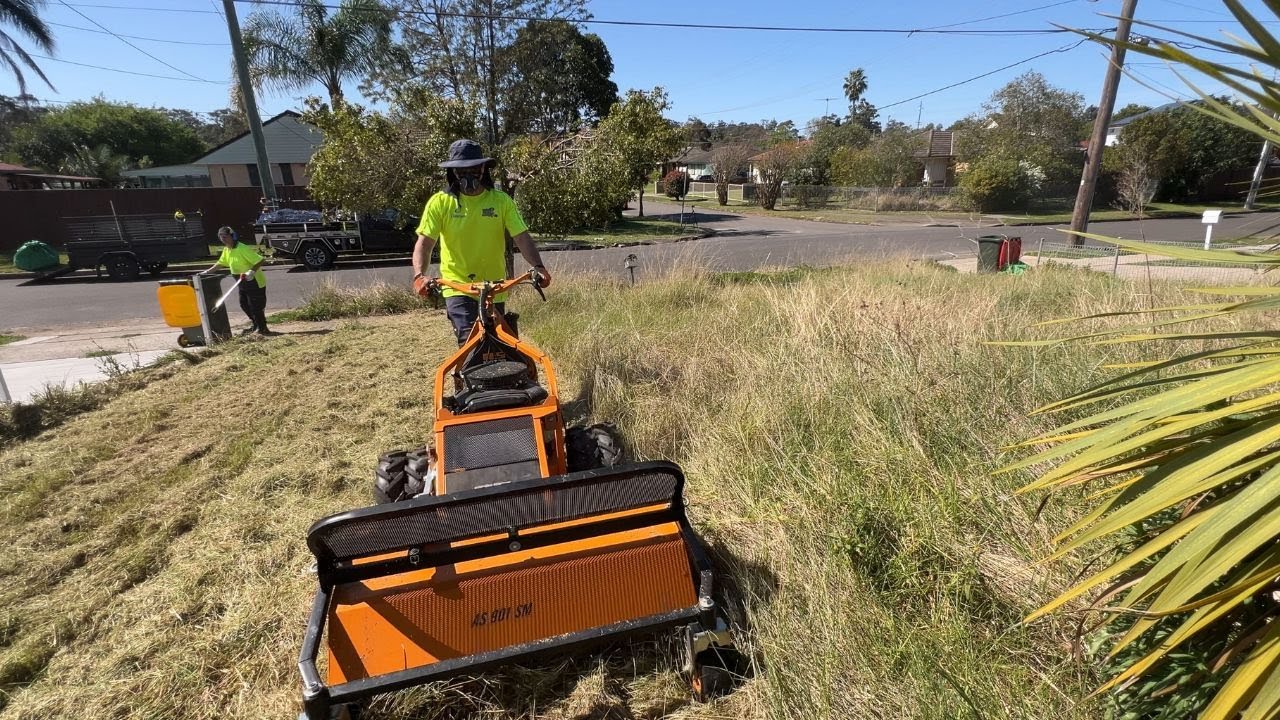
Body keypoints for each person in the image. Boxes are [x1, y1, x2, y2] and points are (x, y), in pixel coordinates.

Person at [412, 139, 551, 344]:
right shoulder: (440, 203)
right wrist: (419, 276)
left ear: (483, 168)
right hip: (458, 288)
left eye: (474, 168)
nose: (469, 174)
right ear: (453, 172)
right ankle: (466, 375)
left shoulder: (501, 201)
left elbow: (521, 237)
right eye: (462, 170)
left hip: (495, 289)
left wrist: (538, 267)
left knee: (502, 344)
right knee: (472, 342)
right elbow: (424, 244)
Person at [201, 226, 273, 336]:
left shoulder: (242, 248)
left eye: (225, 237)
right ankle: (255, 325)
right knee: (244, 304)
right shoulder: (227, 250)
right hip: (242, 282)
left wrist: (252, 271)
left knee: (255, 306)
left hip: (254, 281)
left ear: (233, 236)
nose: (223, 239)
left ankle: (262, 328)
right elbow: (221, 263)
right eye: (221, 237)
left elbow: (261, 260)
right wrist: (207, 272)